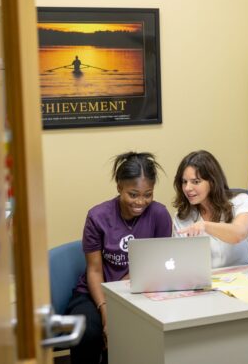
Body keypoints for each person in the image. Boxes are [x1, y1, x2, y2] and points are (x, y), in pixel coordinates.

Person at [67, 152, 172, 364]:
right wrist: (107, 310)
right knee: (87, 332)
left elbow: (151, 264)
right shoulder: (98, 216)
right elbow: (94, 270)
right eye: (133, 194)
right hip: (94, 293)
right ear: (119, 187)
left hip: (137, 291)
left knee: (133, 334)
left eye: (148, 194)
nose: (141, 202)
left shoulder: (160, 215)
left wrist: (119, 311)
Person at [172, 150, 248, 268]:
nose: (187, 188)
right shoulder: (182, 217)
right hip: (204, 281)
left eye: (196, 182)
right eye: (184, 182)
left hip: (242, 276)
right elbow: (180, 262)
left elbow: (239, 233)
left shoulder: (242, 201)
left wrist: (205, 226)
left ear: (212, 182)